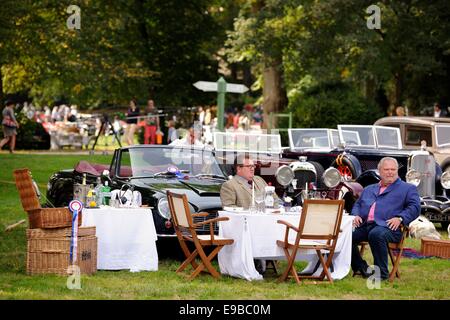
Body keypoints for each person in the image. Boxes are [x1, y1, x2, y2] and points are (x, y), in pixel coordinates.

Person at [351, 157, 420, 280]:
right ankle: (361, 268)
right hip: (366, 225)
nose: (390, 172)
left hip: (390, 228)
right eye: (386, 169)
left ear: (397, 171)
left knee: (376, 234)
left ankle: (381, 274)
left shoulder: (407, 188)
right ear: (380, 172)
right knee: (345, 236)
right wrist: (355, 214)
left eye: (393, 169)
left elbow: (415, 207)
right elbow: (357, 204)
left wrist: (400, 218)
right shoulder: (369, 189)